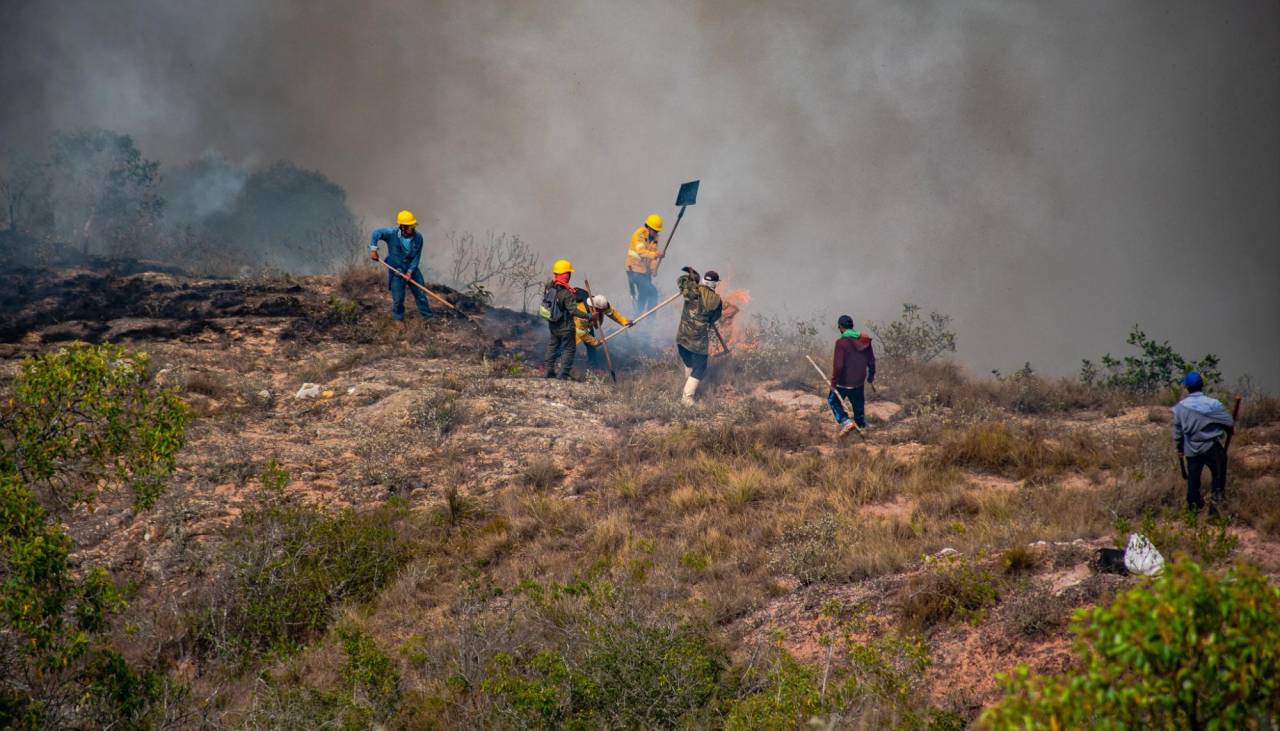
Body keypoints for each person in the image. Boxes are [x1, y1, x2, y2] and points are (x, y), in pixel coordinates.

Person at [1173, 371, 1235, 512]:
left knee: (1193, 479)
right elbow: (1229, 422)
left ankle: (1193, 507)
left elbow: (1178, 432)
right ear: (1202, 385)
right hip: (1211, 445)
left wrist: (1179, 447)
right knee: (1218, 472)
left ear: (1187, 387)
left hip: (1191, 447)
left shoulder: (1180, 407)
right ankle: (1216, 502)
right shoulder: (1213, 404)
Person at [369, 210, 433, 321]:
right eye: (410, 226)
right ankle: (398, 320)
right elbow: (376, 233)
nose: (413, 228)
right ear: (403, 227)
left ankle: (428, 317)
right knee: (398, 299)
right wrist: (373, 250)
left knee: (421, 294)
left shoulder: (418, 238)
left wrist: (410, 272)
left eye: (413, 226)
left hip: (412, 269)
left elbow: (416, 257)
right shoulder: (391, 233)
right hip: (396, 270)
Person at [675, 266, 722, 405]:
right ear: (715, 284)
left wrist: (691, 278)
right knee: (700, 368)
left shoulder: (692, 289)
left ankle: (688, 387)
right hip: (697, 339)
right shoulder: (716, 300)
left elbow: (680, 281)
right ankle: (687, 398)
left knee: (689, 363)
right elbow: (714, 318)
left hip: (682, 337)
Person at [540, 259, 593, 379]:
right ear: (565, 275)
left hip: (553, 325)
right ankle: (563, 374)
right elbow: (573, 310)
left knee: (552, 346)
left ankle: (548, 371)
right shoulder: (566, 293)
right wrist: (588, 316)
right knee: (569, 349)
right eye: (569, 274)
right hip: (566, 326)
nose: (569, 276)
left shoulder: (550, 289)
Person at [829, 315, 876, 439]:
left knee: (833, 400)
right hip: (858, 382)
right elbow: (871, 361)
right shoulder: (865, 340)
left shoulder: (841, 343)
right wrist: (870, 377)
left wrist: (833, 383)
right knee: (858, 406)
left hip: (843, 382)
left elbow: (838, 366)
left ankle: (846, 422)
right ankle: (862, 428)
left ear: (841, 327)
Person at [575, 293, 631, 370]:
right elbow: (580, 332)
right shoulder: (583, 312)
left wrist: (625, 322)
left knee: (591, 348)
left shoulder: (601, 305)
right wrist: (594, 342)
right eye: (603, 310)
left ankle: (593, 368)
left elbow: (612, 313)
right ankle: (559, 362)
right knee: (568, 346)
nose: (605, 311)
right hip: (574, 327)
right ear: (597, 309)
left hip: (587, 326)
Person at [625, 214, 663, 313]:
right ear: (648, 228)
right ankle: (651, 320)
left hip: (644, 272)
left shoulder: (655, 239)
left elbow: (652, 258)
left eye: (657, 231)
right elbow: (641, 251)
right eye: (655, 230)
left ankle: (638, 317)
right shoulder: (640, 234)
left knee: (644, 294)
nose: (656, 233)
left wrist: (653, 269)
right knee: (653, 292)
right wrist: (656, 254)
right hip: (634, 270)